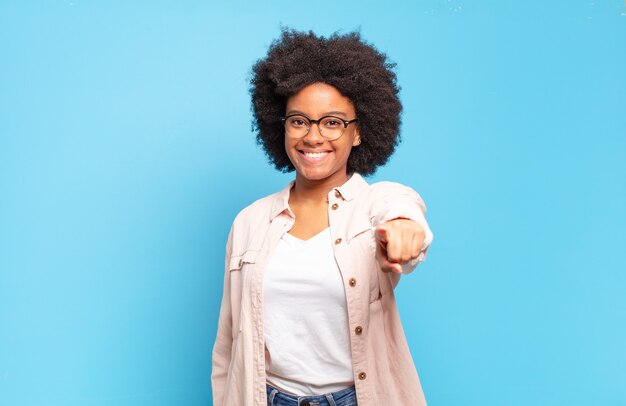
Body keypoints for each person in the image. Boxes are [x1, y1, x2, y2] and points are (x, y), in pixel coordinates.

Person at [212, 29, 434, 406]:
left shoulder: (373, 206)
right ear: (280, 126)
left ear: (359, 132)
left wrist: (405, 232)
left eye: (332, 122)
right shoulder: (249, 222)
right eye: (299, 120)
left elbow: (403, 208)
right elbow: (228, 344)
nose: (313, 136)